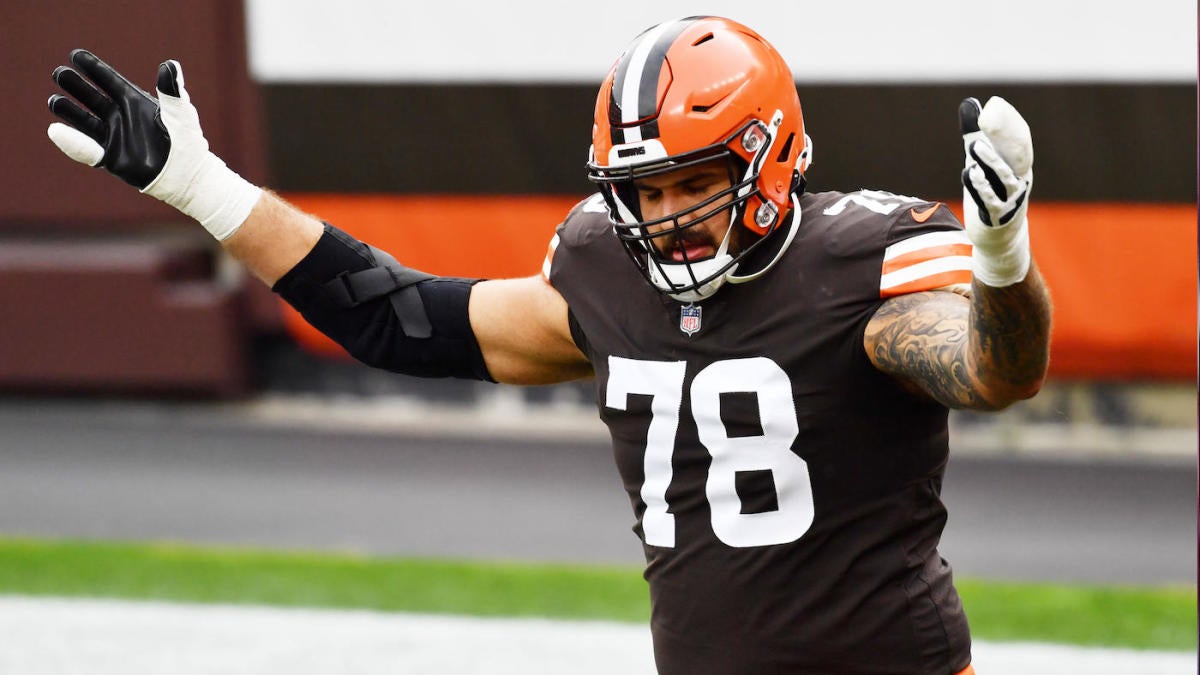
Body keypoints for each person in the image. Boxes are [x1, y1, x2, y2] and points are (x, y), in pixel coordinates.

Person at [46, 15, 1050, 675]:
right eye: (638, 193)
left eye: (687, 184)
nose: (660, 219)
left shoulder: (860, 257)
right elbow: (399, 318)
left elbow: (995, 371)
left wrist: (1002, 260)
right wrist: (199, 187)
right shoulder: (607, 273)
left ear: (768, 157)